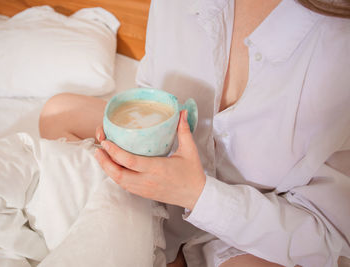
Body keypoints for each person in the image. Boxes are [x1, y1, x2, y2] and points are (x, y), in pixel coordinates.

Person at [39, 0, 350, 266]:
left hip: (260, 227)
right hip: (165, 181)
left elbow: (330, 235)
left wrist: (197, 194)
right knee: (57, 113)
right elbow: (152, 86)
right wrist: (135, 139)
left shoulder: (338, 43)